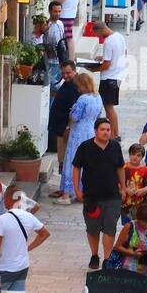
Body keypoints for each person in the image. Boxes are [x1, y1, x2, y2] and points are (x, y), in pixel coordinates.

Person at [72, 116, 127, 269]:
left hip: (112, 196)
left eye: (108, 130)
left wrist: (123, 188)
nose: (105, 132)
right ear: (96, 131)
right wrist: (77, 189)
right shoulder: (85, 147)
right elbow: (76, 167)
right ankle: (94, 255)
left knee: (110, 228)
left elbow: (120, 167)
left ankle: (107, 258)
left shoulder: (115, 146)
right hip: (91, 197)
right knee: (93, 228)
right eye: (102, 129)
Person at [58, 71, 103, 203]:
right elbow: (99, 114)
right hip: (91, 131)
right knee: (87, 161)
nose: (78, 89)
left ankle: (67, 194)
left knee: (73, 159)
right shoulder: (98, 97)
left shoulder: (83, 99)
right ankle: (83, 191)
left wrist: (72, 111)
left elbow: (75, 117)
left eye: (79, 86)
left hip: (78, 132)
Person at [0, 194, 48, 293]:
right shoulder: (29, 216)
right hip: (22, 266)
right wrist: (28, 248)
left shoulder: (2, 219)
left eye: (5, 198)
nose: (4, 201)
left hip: (4, 267)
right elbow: (44, 234)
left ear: (9, 199)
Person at [112, 204, 147, 293]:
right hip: (131, 268)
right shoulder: (129, 227)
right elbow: (117, 246)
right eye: (143, 221)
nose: (145, 224)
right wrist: (133, 253)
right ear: (138, 218)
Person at [93, 22, 127, 137]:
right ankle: (115, 133)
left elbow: (106, 65)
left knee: (109, 108)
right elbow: (123, 53)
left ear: (99, 30)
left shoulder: (108, 42)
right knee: (110, 107)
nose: (98, 37)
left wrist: (94, 69)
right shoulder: (119, 36)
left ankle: (113, 135)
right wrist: (104, 58)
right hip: (117, 76)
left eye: (97, 34)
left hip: (108, 78)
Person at [120, 142, 147, 224]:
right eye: (133, 154)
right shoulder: (123, 168)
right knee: (127, 227)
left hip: (140, 205)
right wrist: (126, 189)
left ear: (142, 157)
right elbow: (118, 183)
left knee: (138, 226)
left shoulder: (145, 170)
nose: (135, 157)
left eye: (138, 155)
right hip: (125, 205)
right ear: (129, 155)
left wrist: (142, 190)